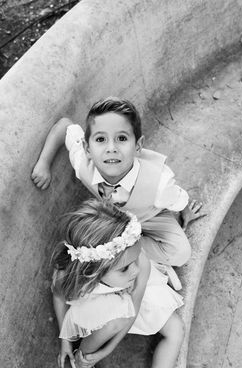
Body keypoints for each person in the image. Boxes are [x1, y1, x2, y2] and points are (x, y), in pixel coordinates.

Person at [51, 198, 185, 368]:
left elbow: (131, 311)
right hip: (98, 308)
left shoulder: (139, 264)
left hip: (128, 305)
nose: (136, 268)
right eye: (125, 267)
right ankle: (84, 360)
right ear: (92, 270)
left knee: (176, 328)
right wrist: (65, 340)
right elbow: (58, 296)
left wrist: (108, 351)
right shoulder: (72, 277)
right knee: (113, 319)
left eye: (135, 258)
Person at [32, 97, 204, 272]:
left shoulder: (159, 184)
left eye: (121, 138)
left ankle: (125, 247)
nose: (111, 148)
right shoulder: (83, 163)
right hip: (113, 217)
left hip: (150, 217)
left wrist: (185, 211)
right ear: (87, 148)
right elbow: (64, 127)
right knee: (82, 239)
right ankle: (117, 247)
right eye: (100, 139)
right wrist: (44, 163)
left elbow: (178, 199)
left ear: (138, 146)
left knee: (180, 254)